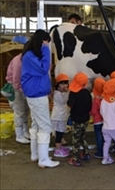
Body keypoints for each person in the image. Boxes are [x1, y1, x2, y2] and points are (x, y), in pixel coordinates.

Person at [21, 29, 60, 168]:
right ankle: (43, 159)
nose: (47, 45)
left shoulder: (30, 55)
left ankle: (36, 154)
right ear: (41, 41)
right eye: (46, 42)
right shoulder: (31, 56)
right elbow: (44, 69)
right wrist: (45, 50)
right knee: (45, 126)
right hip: (37, 95)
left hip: (36, 94)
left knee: (37, 124)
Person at [67, 72, 92, 167]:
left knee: (75, 139)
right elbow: (90, 106)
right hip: (85, 119)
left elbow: (70, 104)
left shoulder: (73, 93)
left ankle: (75, 158)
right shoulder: (87, 93)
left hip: (76, 119)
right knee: (83, 136)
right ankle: (86, 153)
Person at [5, 52, 30, 144]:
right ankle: (19, 135)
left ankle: (25, 131)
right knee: (19, 111)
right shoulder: (17, 62)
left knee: (25, 110)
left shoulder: (23, 59)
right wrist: (26, 92)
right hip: (16, 88)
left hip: (22, 88)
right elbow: (16, 81)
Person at [100, 78, 115, 165]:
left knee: (106, 142)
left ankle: (105, 158)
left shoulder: (103, 101)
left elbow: (101, 112)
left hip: (105, 126)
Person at [51, 73, 70, 158]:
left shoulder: (61, 93)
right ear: (58, 85)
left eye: (66, 83)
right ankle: (57, 150)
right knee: (59, 132)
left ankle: (60, 146)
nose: (64, 85)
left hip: (62, 116)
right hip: (58, 116)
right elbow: (63, 101)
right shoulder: (57, 94)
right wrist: (66, 93)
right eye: (62, 83)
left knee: (61, 131)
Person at [90, 77, 106, 159]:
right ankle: (105, 151)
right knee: (105, 137)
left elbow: (93, 111)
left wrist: (90, 114)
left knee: (98, 136)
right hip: (105, 120)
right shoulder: (105, 96)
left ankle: (100, 152)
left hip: (97, 121)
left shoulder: (94, 97)